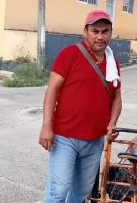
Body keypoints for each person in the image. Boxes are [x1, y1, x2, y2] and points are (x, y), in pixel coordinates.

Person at [39, 10, 122, 203]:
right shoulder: (69, 54)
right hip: (64, 137)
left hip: (94, 140)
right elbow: (51, 90)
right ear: (85, 31)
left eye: (105, 31)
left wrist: (112, 123)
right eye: (95, 31)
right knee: (58, 191)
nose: (100, 36)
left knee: (81, 194)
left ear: (110, 32)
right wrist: (46, 125)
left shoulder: (112, 62)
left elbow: (117, 97)